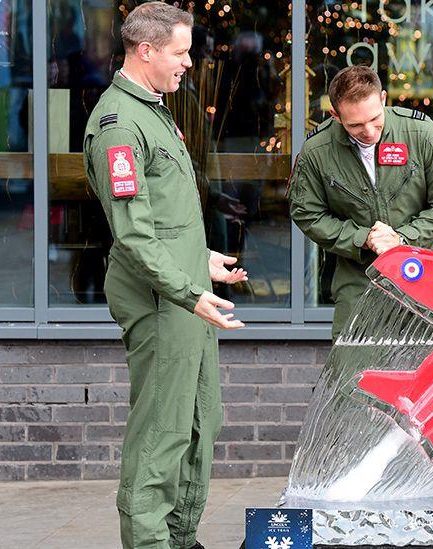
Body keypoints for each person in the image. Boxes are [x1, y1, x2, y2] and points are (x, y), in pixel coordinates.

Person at [81, 3, 247, 548]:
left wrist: (201, 259)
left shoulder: (154, 108)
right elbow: (132, 233)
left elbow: (163, 218)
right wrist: (185, 289)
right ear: (145, 51)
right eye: (180, 53)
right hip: (161, 300)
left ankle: (180, 536)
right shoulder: (118, 125)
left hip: (183, 291)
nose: (189, 63)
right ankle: (151, 542)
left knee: (202, 420)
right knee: (162, 429)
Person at [288, 66, 433, 339]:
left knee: (429, 367)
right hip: (358, 278)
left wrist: (402, 238)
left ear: (383, 98)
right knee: (352, 368)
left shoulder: (421, 133)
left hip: (424, 273)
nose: (369, 131)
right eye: (355, 125)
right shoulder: (317, 151)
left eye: (375, 118)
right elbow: (307, 214)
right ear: (335, 115)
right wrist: (363, 238)